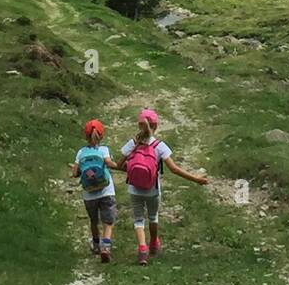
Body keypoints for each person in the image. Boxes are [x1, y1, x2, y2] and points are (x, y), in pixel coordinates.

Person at [119, 107, 208, 265]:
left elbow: (120, 165)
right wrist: (196, 179)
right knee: (153, 217)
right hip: (152, 189)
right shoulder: (159, 146)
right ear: (156, 126)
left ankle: (142, 249)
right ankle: (153, 243)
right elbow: (174, 169)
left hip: (134, 189)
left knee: (138, 219)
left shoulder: (133, 143)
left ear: (140, 126)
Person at [71, 118, 120, 263]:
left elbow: (75, 173)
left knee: (94, 220)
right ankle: (106, 247)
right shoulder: (104, 150)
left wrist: (82, 171)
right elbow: (110, 164)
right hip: (106, 191)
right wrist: (121, 165)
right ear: (102, 135)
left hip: (89, 194)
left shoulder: (81, 152)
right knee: (108, 222)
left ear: (85, 136)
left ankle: (96, 244)